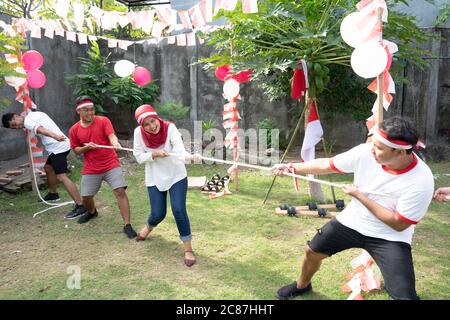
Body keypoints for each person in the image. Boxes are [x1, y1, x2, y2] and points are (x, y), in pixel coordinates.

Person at [272, 116, 434, 300]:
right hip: (353, 221)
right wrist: (292, 167)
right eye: (373, 143)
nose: (372, 150)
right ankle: (302, 285)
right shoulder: (366, 152)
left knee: (405, 296)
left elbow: (398, 224)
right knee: (312, 251)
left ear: (400, 152)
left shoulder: (422, 180)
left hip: (389, 235)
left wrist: (360, 196)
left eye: (379, 148)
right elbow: (328, 164)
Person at [132, 104, 199, 267]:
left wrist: (190, 157)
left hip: (176, 175)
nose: (151, 126)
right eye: (146, 124)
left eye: (152, 121)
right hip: (155, 176)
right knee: (158, 213)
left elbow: (180, 151)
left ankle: (188, 249)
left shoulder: (170, 128)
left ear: (157, 118)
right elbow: (138, 156)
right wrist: (153, 154)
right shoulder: (138, 133)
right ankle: (148, 227)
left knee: (178, 209)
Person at [69, 96, 137, 239]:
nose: (90, 113)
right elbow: (76, 149)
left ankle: (127, 225)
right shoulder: (74, 130)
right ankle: (92, 212)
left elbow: (111, 135)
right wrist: (86, 147)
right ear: (79, 111)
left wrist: (115, 143)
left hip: (110, 163)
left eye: (92, 109)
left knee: (120, 191)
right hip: (91, 168)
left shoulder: (103, 121)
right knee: (86, 197)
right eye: (86, 110)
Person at [2, 111, 87, 219]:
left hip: (58, 147)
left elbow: (41, 129)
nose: (17, 127)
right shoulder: (32, 115)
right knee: (48, 168)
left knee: (62, 176)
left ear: (16, 116)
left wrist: (55, 136)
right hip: (57, 147)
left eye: (15, 124)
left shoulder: (28, 121)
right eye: (14, 128)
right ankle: (53, 194)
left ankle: (81, 205)